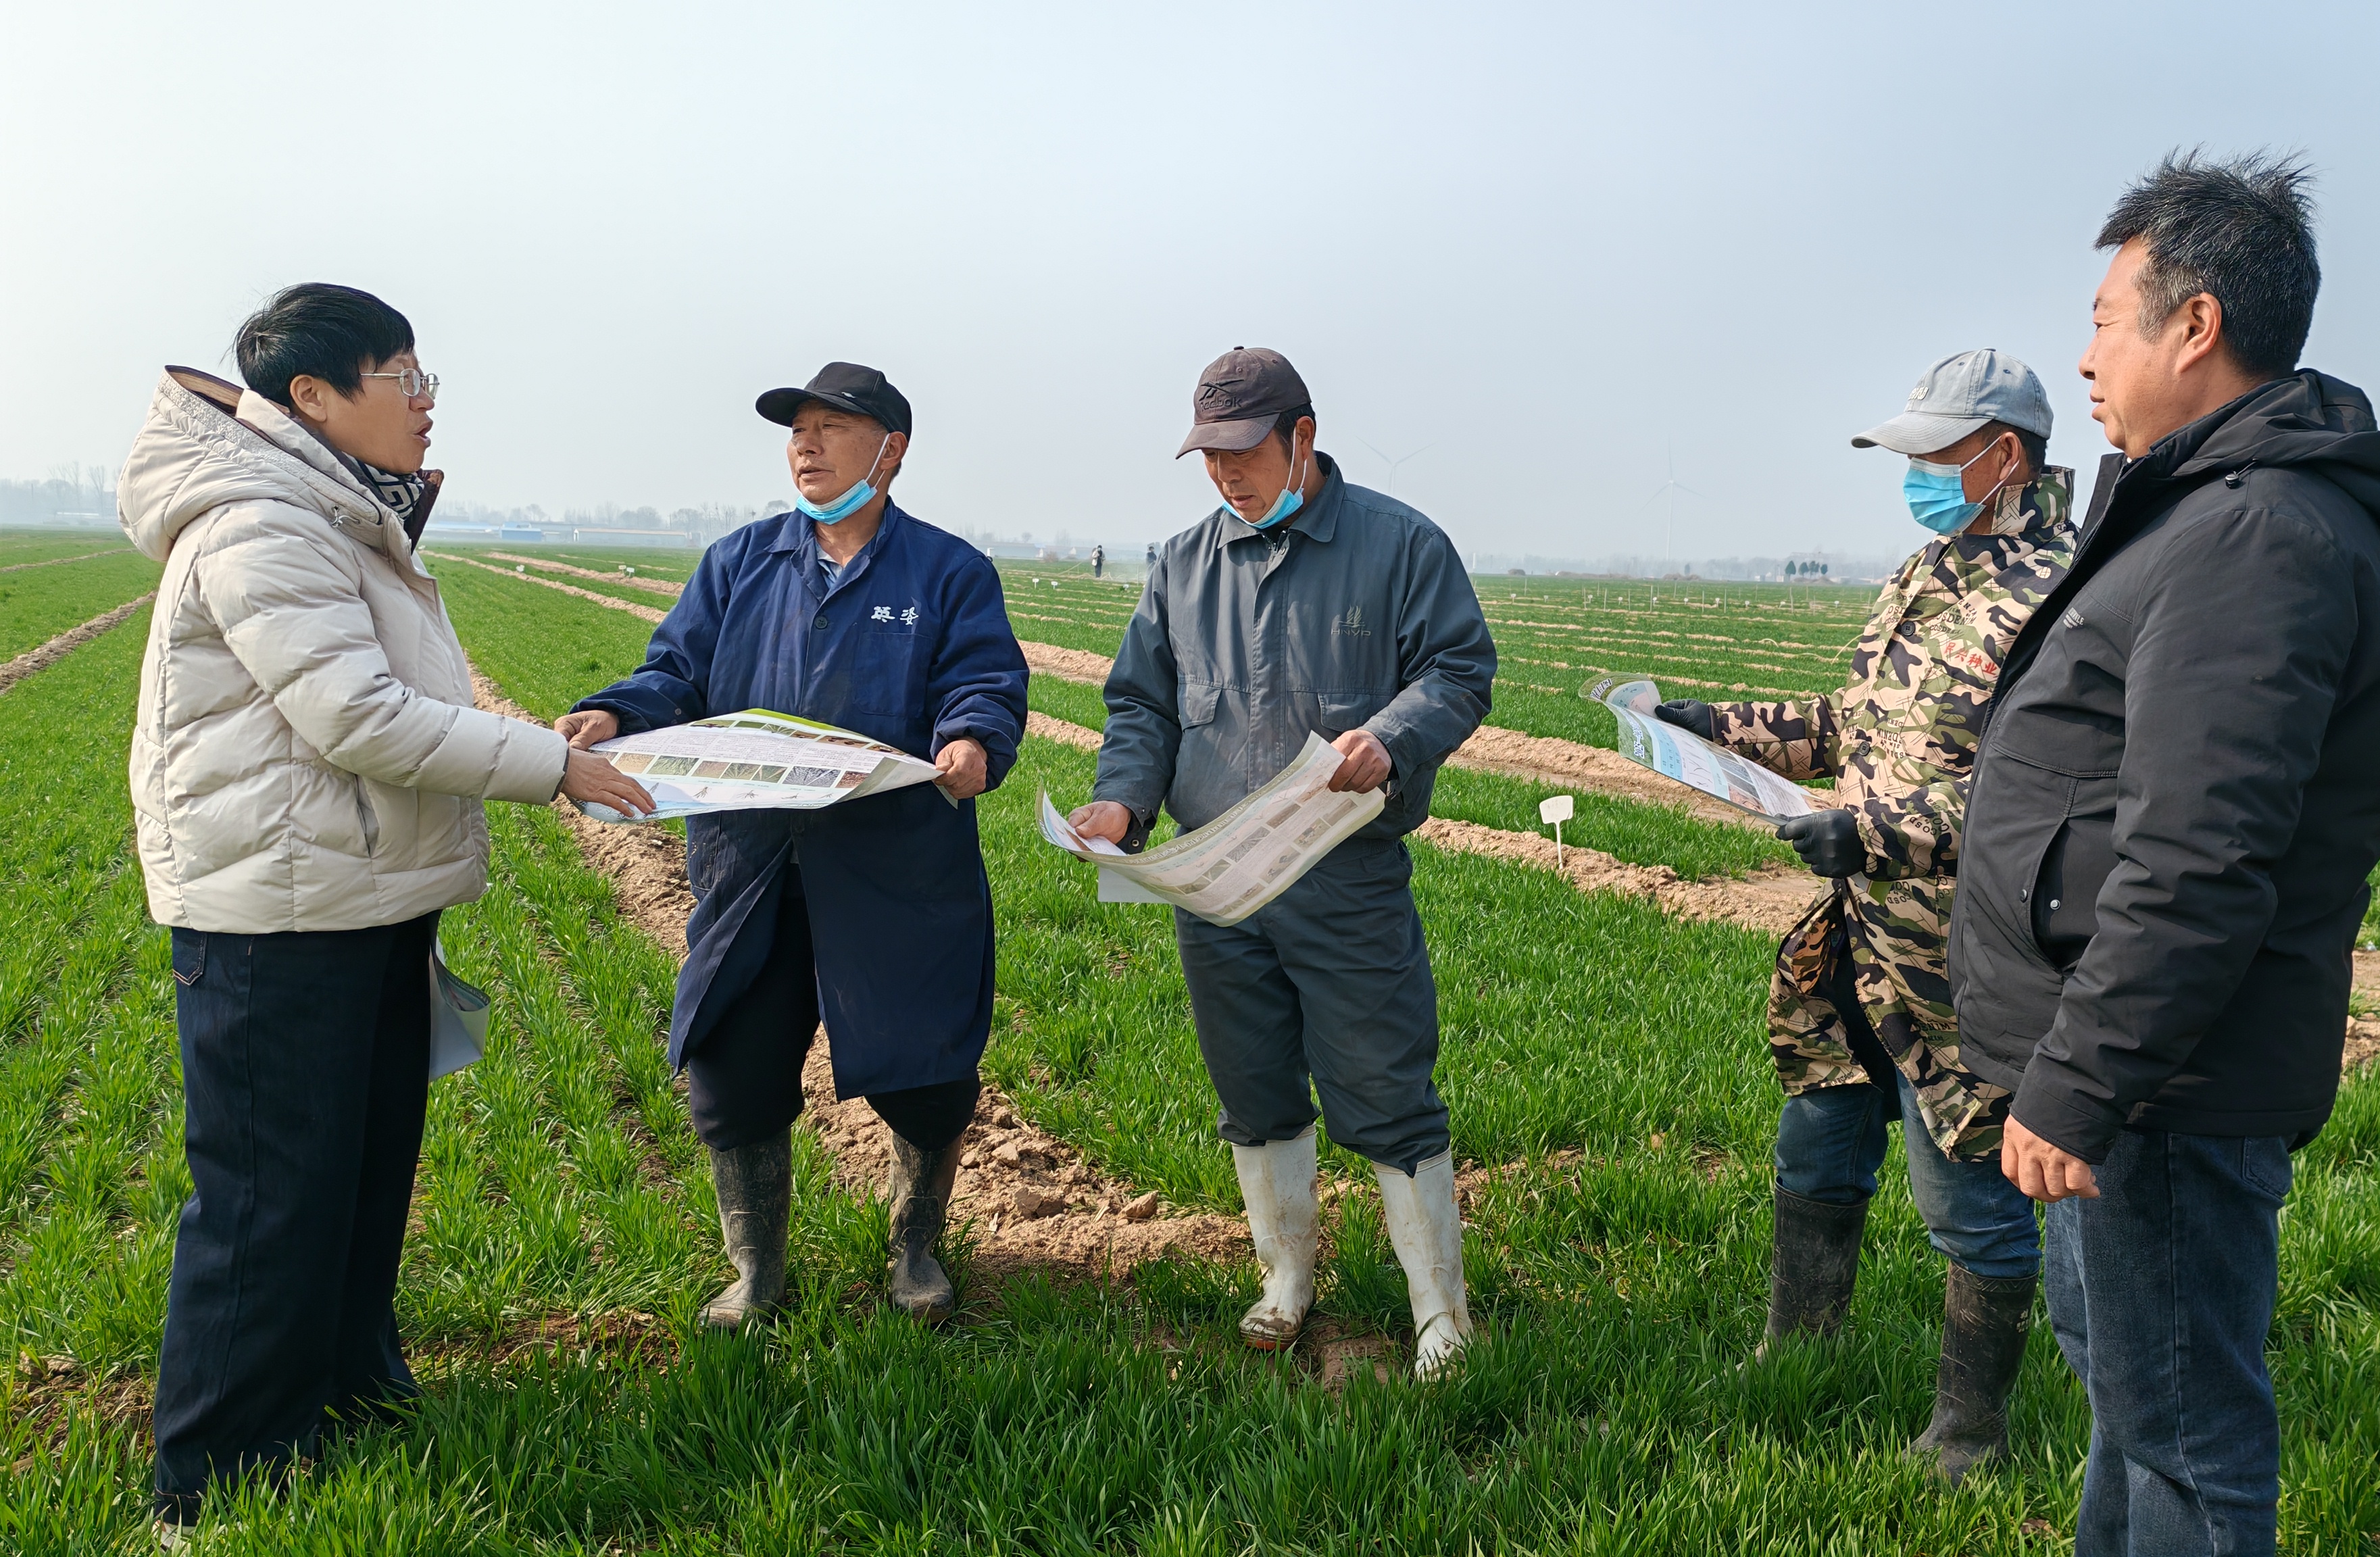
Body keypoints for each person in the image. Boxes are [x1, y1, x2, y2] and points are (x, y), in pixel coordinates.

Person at [1950, 153, 2380, 1552]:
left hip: (2167, 1081)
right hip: (2142, 1071)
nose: (2086, 356)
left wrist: (2081, 1084)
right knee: (2135, 1407)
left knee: (2180, 1435)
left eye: (2106, 319)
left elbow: (2198, 856)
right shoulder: (2212, 511)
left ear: (2195, 325)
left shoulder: (2253, 536)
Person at [121, 284, 655, 1537]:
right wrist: (551, 764)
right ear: (313, 397)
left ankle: (348, 1403)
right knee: (269, 1200)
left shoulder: (336, 510)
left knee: (356, 1180)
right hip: (278, 920)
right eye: (402, 378)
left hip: (350, 897)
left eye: (427, 378)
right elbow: (356, 716)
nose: (425, 402)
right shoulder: (263, 522)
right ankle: (214, 1486)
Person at [1656, 350, 2074, 1481]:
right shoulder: (1925, 573)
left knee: (1965, 1188)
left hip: (1962, 959)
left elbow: (2045, 796)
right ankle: (1797, 1354)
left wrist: (1875, 834)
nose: (1917, 476)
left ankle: (1967, 1437)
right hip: (1860, 935)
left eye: (1936, 455)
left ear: (2005, 455)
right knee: (1820, 1136)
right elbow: (1851, 727)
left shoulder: (2063, 596)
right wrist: (1712, 725)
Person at [561, 362, 1028, 1329]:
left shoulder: (946, 571)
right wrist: (616, 712)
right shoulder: (741, 562)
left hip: (895, 866)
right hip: (754, 864)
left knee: (927, 1068)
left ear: (890, 450)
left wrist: (973, 740)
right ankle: (757, 1273)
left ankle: (914, 1247)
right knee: (734, 1062)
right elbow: (676, 672)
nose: (805, 446)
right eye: (796, 430)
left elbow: (982, 681)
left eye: (830, 428)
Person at [1066, 347, 1495, 1377]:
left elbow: (1459, 667)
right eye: (1208, 457)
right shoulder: (1183, 564)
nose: (1225, 475)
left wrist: (1391, 735)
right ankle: (1285, 1277)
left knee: (1385, 1084)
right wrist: (1124, 800)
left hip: (1341, 872)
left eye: (1244, 452)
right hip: (1217, 882)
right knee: (1252, 1087)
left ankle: (1439, 1310)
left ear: (1302, 436)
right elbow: (1143, 705)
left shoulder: (1398, 544)